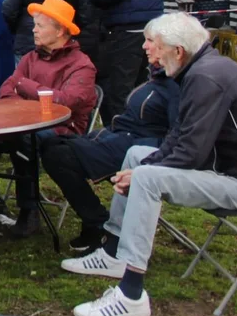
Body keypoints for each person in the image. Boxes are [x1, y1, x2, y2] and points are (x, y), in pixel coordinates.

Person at [61, 12, 237, 316]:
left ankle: (131, 294)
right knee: (138, 154)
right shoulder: (200, 71)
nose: (145, 49)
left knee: (147, 177)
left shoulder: (207, 78)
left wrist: (143, 173)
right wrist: (145, 164)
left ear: (178, 51)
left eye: (153, 43)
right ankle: (114, 252)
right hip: (223, 170)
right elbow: (179, 136)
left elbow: (192, 151)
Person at [0, 0, 97, 237]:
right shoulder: (32, 57)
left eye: (40, 25)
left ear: (60, 30)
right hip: (20, 124)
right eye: (35, 25)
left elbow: (67, 102)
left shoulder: (81, 65)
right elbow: (7, 90)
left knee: (25, 140)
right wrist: (25, 104)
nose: (34, 30)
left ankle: (29, 212)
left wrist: (26, 86)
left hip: (62, 132)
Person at [41, 28, 180, 253]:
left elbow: (177, 132)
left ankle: (97, 224)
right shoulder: (157, 77)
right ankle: (94, 222)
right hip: (117, 138)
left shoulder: (176, 85)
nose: (143, 46)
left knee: (56, 154)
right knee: (50, 144)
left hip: (138, 149)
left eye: (150, 41)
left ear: (172, 48)